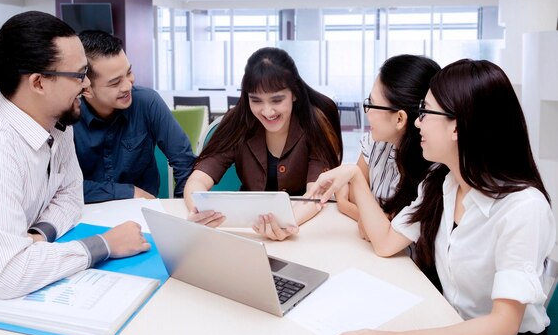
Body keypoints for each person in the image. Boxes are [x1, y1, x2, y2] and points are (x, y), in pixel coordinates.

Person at [0, 11, 150, 335]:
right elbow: (8, 274)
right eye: (80, 75)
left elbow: (70, 195)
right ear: (37, 82)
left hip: (13, 302)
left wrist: (38, 234)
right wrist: (105, 245)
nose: (87, 86)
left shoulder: (57, 123)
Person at [307, 59, 555, 335]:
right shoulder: (441, 181)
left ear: (458, 125)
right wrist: (355, 178)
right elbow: (385, 242)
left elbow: (503, 326)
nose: (418, 122)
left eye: (426, 112)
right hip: (451, 334)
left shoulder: (523, 208)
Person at [184, 47, 343, 241]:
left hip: (304, 228)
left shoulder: (315, 122)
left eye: (277, 100)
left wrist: (288, 223)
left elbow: (315, 194)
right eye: (256, 100)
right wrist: (197, 211)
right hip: (248, 232)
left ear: (294, 93)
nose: (267, 111)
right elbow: (197, 180)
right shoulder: (239, 121)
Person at [73, 30, 195, 203]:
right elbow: (62, 188)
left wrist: (182, 208)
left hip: (143, 211)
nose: (128, 85)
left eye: (129, 73)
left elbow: (184, 161)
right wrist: (126, 192)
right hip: (85, 213)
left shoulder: (147, 102)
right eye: (115, 83)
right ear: (86, 88)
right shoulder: (67, 118)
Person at [336, 55, 440, 230]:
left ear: (399, 119)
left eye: (372, 104)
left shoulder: (434, 170)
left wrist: (348, 207)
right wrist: (373, 218)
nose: (367, 112)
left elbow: (390, 231)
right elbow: (353, 192)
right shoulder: (376, 141)